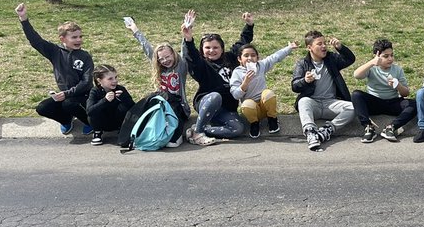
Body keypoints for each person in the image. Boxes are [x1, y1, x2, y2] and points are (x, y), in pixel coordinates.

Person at [16, 2, 93, 137]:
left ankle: (90, 122)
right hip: (65, 95)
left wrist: (67, 93)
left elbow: (86, 82)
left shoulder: (85, 56)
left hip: (83, 95)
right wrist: (24, 19)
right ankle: (66, 120)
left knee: (69, 104)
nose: (79, 40)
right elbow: (35, 41)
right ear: (62, 38)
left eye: (80, 36)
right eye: (74, 37)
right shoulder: (55, 51)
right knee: (42, 108)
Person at [183, 10, 254, 143]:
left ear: (222, 49)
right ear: (202, 51)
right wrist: (188, 39)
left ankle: (198, 129)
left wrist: (249, 25)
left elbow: (242, 43)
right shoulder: (201, 64)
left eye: (215, 47)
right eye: (207, 48)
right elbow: (192, 56)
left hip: (227, 108)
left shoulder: (231, 58)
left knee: (237, 129)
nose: (211, 51)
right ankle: (198, 133)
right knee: (216, 96)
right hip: (207, 102)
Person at [292, 30, 356, 152]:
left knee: (353, 107)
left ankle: (326, 130)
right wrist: (305, 81)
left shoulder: (331, 59)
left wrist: (340, 48)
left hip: (330, 104)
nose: (324, 46)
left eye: (325, 43)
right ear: (309, 47)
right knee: (303, 101)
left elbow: (350, 59)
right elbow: (294, 86)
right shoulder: (302, 63)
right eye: (319, 44)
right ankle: (310, 132)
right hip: (313, 103)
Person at [351, 38, 416, 142]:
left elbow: (406, 93)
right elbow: (356, 75)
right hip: (375, 102)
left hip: (392, 102)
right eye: (386, 56)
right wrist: (372, 63)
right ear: (377, 57)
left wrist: (397, 85)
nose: (390, 58)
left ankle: (391, 128)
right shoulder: (372, 68)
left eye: (392, 55)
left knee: (414, 104)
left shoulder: (397, 70)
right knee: (356, 95)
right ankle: (368, 128)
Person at [229, 40, 297, 138]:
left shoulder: (261, 66)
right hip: (252, 109)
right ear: (239, 59)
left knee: (268, 93)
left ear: (257, 58)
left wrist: (289, 48)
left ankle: (272, 119)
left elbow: (275, 57)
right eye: (246, 55)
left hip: (264, 105)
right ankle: (254, 124)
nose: (250, 58)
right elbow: (236, 95)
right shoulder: (237, 72)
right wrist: (245, 82)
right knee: (246, 104)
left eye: (253, 55)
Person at [125, 15, 189, 118]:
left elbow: (185, 49)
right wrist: (134, 28)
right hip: (161, 106)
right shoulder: (159, 66)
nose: (165, 61)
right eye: (161, 59)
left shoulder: (180, 67)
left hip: (179, 108)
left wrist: (186, 33)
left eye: (167, 57)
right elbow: (146, 46)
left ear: (173, 54)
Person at [85, 65, 135, 145]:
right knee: (94, 111)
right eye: (110, 79)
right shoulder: (95, 91)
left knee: (123, 107)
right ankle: (97, 133)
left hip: (118, 122)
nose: (115, 81)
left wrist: (124, 98)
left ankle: (124, 130)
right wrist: (105, 100)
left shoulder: (120, 89)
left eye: (116, 77)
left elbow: (133, 107)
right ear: (99, 81)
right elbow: (89, 111)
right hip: (102, 123)